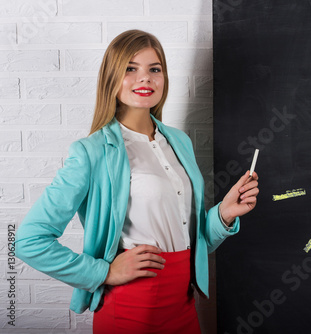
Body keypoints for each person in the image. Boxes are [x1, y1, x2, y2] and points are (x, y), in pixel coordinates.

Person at [15, 29, 259, 333]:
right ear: (111, 78)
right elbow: (28, 241)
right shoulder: (91, 152)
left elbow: (191, 241)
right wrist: (103, 272)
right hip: (134, 306)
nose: (145, 78)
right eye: (131, 69)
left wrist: (224, 213)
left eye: (154, 69)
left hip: (184, 302)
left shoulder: (179, 142)